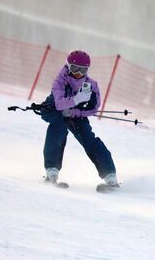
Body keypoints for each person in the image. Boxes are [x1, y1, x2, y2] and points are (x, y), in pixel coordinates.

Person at [40, 50, 119, 188]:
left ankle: (109, 174)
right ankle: (52, 170)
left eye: (82, 70)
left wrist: (74, 112)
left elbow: (94, 108)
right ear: (68, 66)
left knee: (88, 138)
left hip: (75, 115)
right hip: (54, 110)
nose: (78, 73)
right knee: (58, 128)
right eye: (74, 68)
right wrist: (76, 99)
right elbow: (59, 104)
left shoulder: (91, 85)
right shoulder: (60, 80)